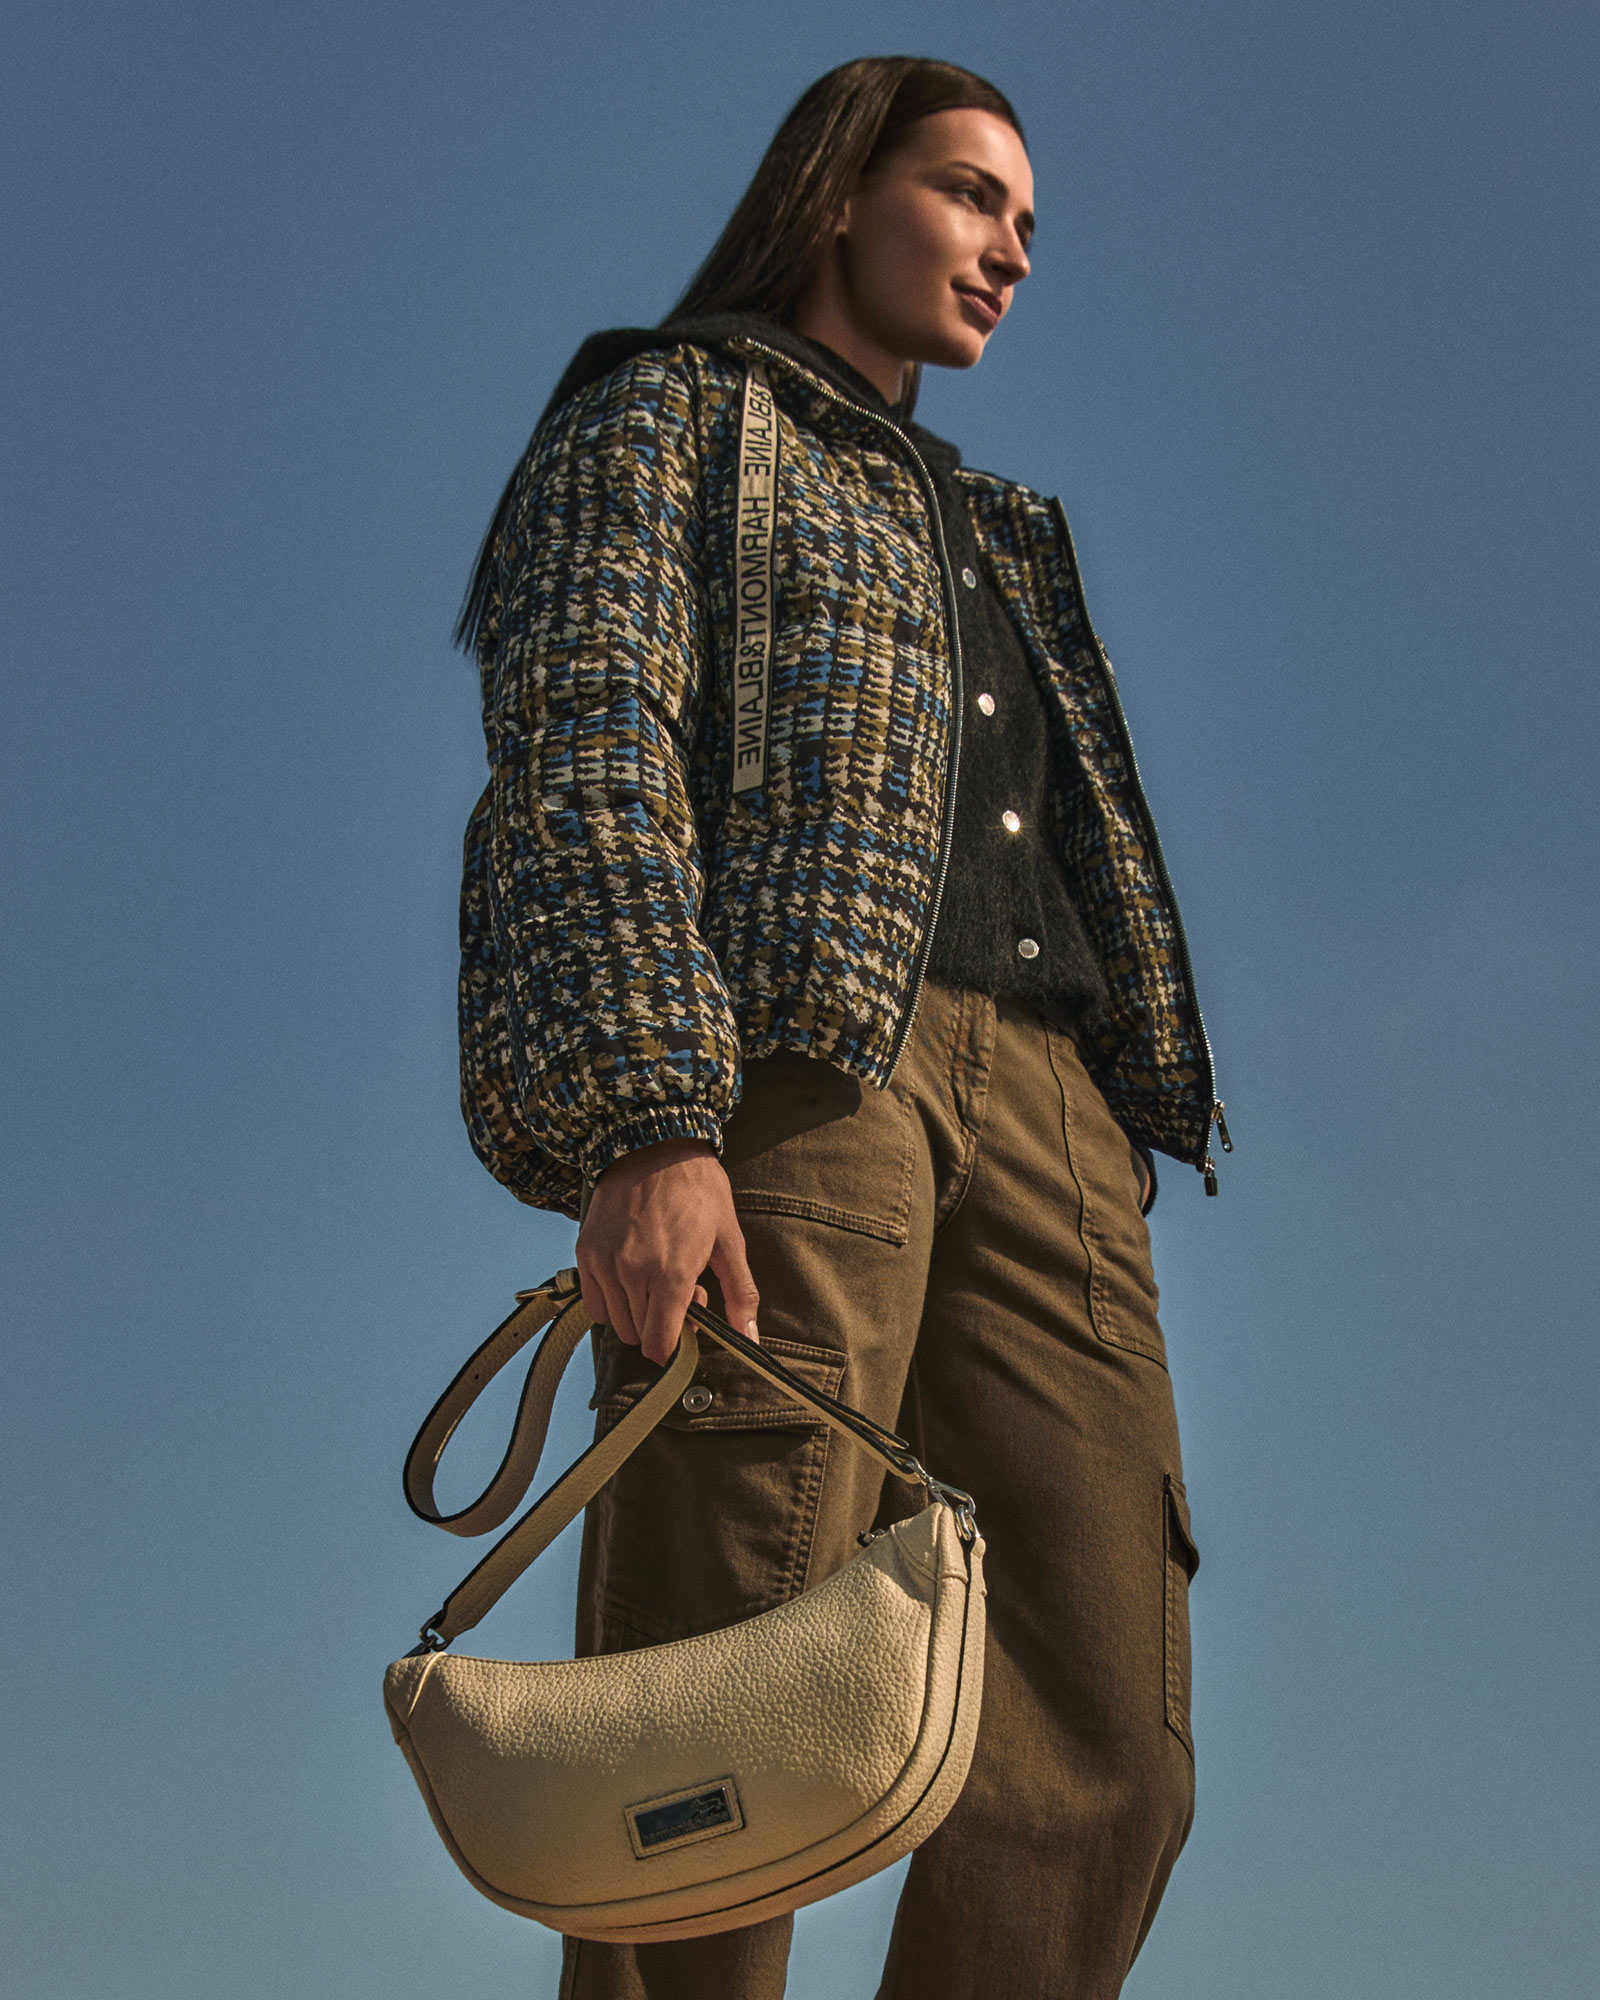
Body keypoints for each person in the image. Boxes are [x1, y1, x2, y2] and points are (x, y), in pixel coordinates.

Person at [455, 55, 1227, 2000]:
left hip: (1055, 1111)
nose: (1006, 252)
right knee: (723, 1689)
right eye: (970, 196)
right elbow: (582, 732)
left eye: (1027, 226)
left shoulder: (1007, 530)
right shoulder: (671, 409)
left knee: (1103, 1732)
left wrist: (1116, 1104)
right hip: (808, 1072)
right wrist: (645, 1114)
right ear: (835, 196)